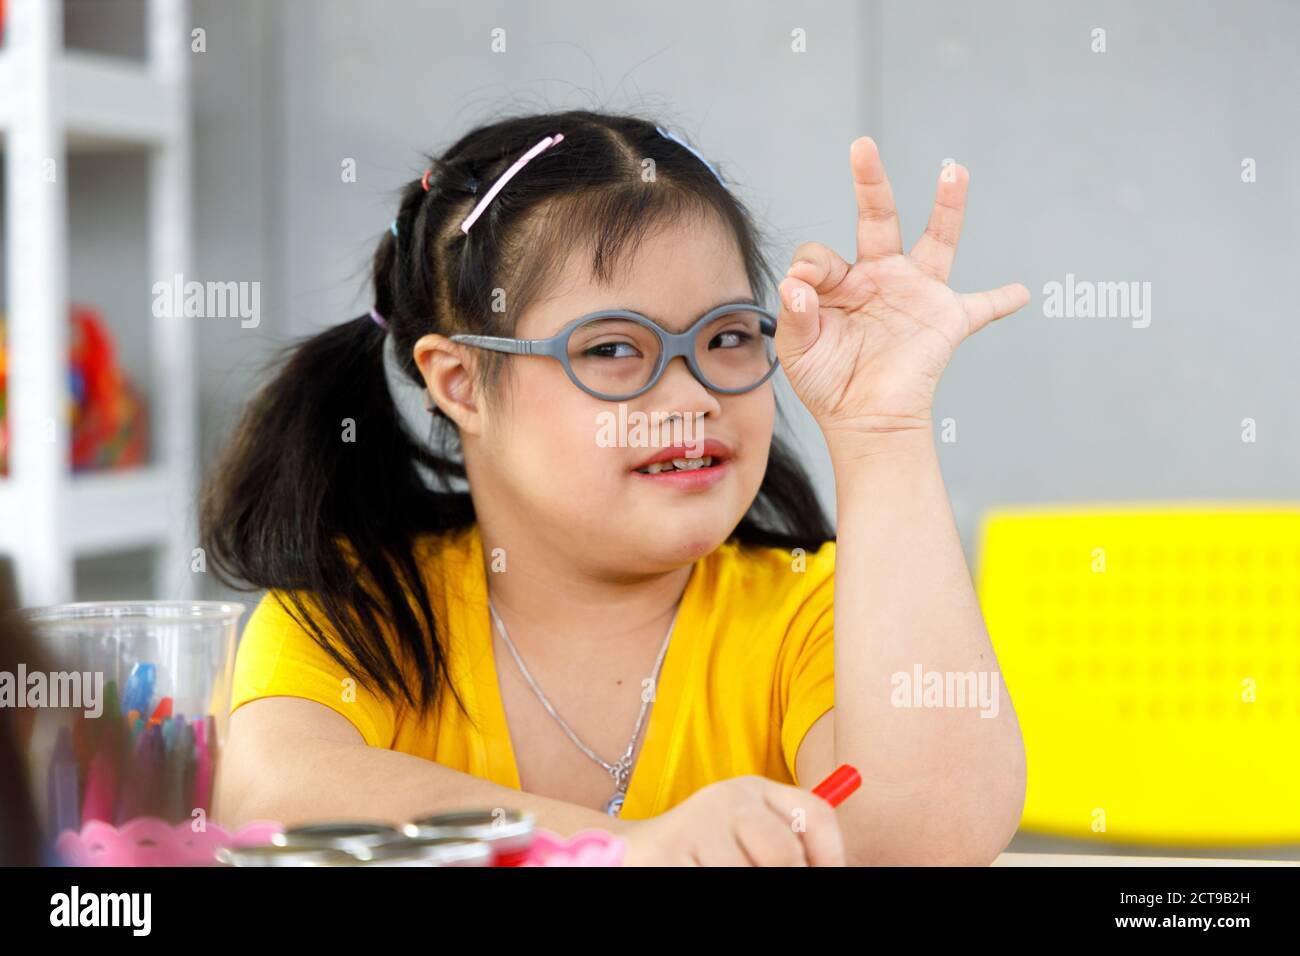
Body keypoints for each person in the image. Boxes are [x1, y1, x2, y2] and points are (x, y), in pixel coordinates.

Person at [203, 110, 1028, 866]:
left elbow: (927, 843)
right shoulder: (359, 610)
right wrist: (629, 851)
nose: (694, 394)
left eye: (729, 335)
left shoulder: (812, 616)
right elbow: (271, 799)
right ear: (459, 382)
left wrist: (881, 432)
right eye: (610, 349)